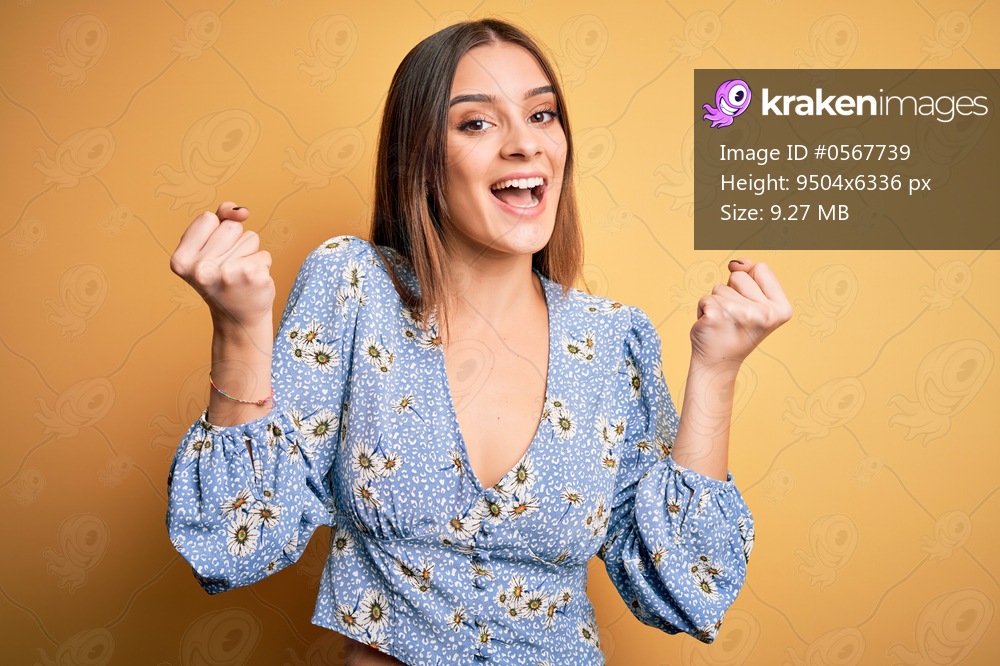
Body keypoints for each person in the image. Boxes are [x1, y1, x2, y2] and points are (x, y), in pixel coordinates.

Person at [166, 18, 790, 666]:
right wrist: (239, 330)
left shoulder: (612, 341)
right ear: (420, 160)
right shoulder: (353, 288)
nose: (526, 144)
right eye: (477, 123)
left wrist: (717, 370)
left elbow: (685, 591)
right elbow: (231, 544)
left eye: (543, 115)